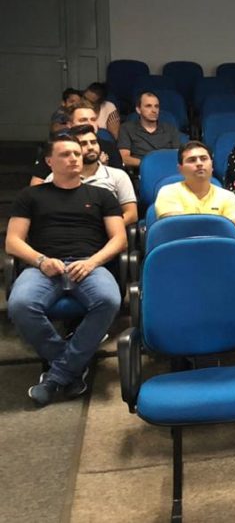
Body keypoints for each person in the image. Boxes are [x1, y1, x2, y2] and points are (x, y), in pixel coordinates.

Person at [6, 133, 126, 407]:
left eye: (76, 153)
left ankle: (56, 376)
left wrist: (93, 261)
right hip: (43, 266)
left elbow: (119, 239)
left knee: (109, 300)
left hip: (89, 264)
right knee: (20, 305)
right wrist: (40, 260)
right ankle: (70, 368)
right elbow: (12, 241)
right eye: (65, 154)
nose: (74, 158)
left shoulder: (102, 194)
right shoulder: (30, 195)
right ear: (49, 161)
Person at [45, 125, 138, 226]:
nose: (90, 147)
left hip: (107, 231)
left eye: (93, 142)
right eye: (83, 144)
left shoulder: (118, 176)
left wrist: (106, 228)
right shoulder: (55, 178)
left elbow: (132, 214)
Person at [154, 141, 235, 240]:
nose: (199, 163)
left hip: (219, 248)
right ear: (180, 169)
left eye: (204, 158)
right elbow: (176, 231)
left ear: (212, 165)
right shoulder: (168, 192)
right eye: (192, 160)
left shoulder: (228, 196)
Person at [30, 104, 123, 185]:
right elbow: (37, 182)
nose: (90, 124)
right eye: (83, 120)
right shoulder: (55, 147)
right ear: (70, 124)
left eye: (93, 120)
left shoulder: (109, 146)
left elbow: (120, 180)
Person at [118, 91, 181, 170]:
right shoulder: (127, 128)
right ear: (138, 110)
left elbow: (179, 156)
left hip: (168, 170)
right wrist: (150, 164)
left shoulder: (170, 129)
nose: (154, 110)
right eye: (148, 106)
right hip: (142, 171)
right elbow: (124, 158)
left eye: (156, 106)